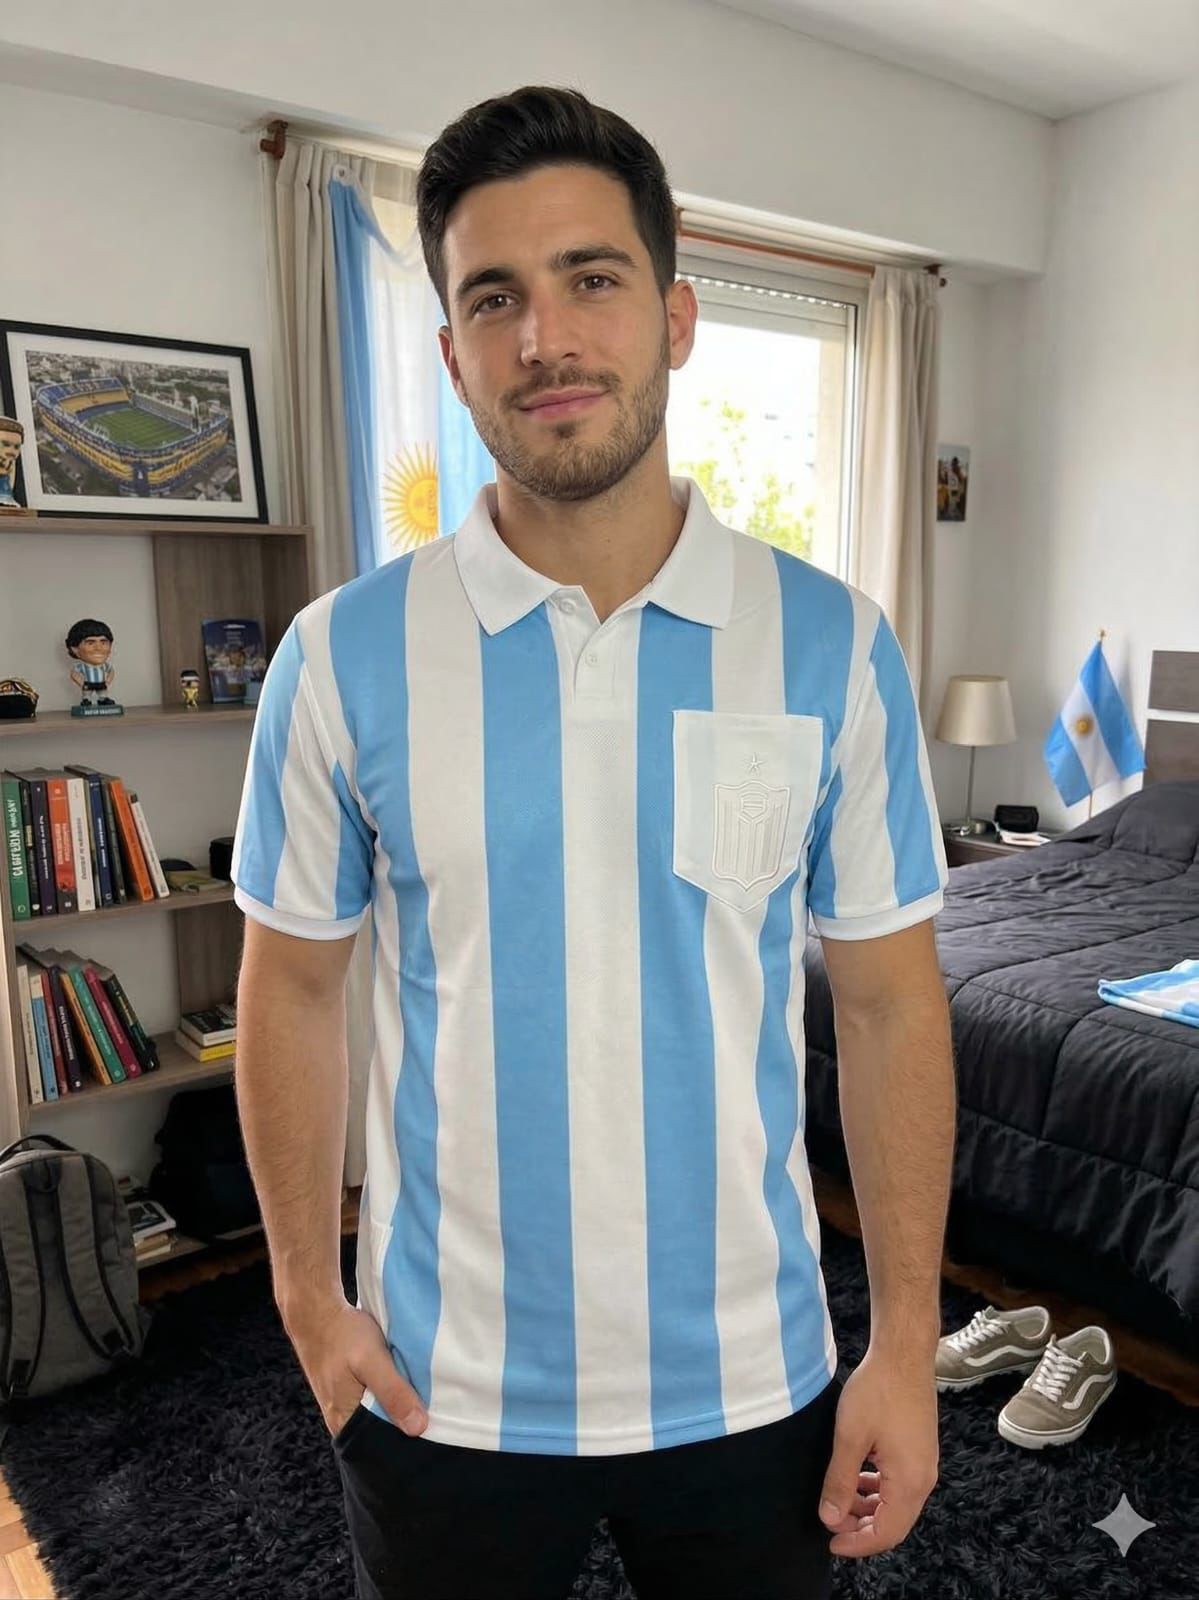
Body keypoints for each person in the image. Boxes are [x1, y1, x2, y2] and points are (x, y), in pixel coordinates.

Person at [231, 85, 955, 1600]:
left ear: (676, 318)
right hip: (441, 1386)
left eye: (592, 279)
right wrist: (305, 1294)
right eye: (494, 297)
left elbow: (891, 1003)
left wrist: (904, 1343)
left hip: (755, 1377)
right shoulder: (340, 655)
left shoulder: (833, 643)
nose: (544, 339)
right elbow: (291, 988)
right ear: (451, 352)